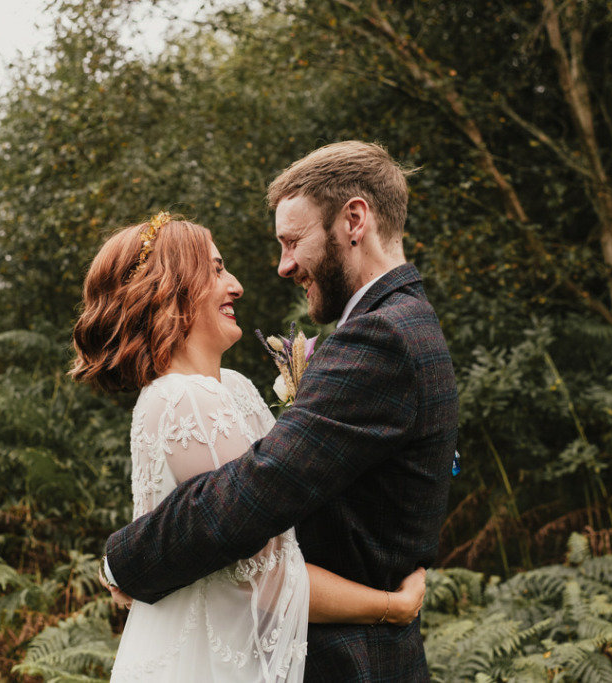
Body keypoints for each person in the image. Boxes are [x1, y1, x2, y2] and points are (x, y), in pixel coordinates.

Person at [101, 142, 459, 682]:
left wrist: (124, 560)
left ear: (354, 221)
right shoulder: (399, 326)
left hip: (357, 660)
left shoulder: (382, 337)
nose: (282, 265)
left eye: (293, 241)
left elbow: (258, 488)